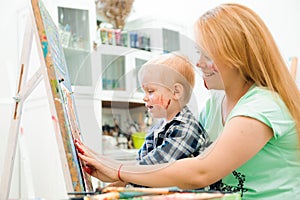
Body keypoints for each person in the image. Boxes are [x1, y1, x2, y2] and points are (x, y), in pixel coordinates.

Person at [75, 3, 300, 199]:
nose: (198, 63)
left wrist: (119, 170)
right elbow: (179, 163)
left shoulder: (264, 105)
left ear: (237, 58)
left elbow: (201, 171)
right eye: (198, 53)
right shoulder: (213, 105)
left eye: (208, 56)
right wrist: (121, 179)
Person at [83, 52, 209, 187]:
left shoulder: (186, 129)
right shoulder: (158, 128)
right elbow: (141, 163)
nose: (144, 97)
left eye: (150, 91)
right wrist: (120, 181)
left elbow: (153, 168)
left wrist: (117, 173)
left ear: (176, 92)